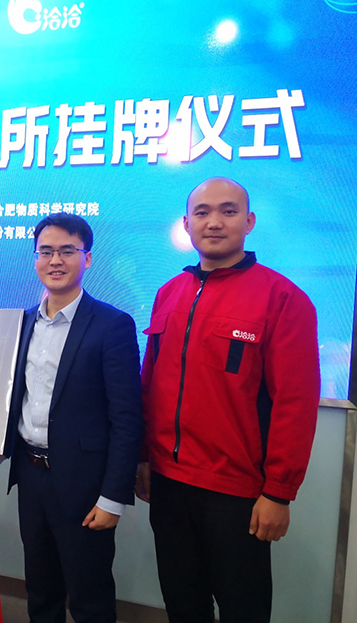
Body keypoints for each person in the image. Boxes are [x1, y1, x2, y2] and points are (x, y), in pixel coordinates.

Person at [137, 177, 320, 622]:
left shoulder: (283, 299)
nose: (214, 222)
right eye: (202, 213)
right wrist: (141, 458)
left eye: (228, 211)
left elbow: (295, 404)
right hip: (168, 484)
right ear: (186, 224)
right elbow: (149, 386)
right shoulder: (169, 293)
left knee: (244, 610)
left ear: (249, 221)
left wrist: (279, 493)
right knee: (182, 604)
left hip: (237, 494)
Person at [0, 213, 143, 623]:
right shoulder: (21, 322)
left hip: (85, 485)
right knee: (40, 589)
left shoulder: (112, 325)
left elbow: (127, 419)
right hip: (31, 476)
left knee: (89, 597)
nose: (55, 260)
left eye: (67, 251)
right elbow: (14, 400)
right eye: (46, 252)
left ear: (87, 258)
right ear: (35, 258)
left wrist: (113, 498)